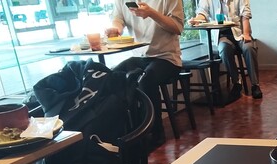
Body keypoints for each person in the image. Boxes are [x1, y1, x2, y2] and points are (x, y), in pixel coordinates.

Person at [106, 0, 184, 145]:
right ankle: (127, 131)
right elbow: (118, 18)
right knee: (113, 77)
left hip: (167, 58)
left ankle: (155, 132)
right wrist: (115, 29)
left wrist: (151, 13)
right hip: (139, 56)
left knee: (146, 79)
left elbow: (177, 27)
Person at [188, 0, 262, 100]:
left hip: (240, 32)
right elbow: (202, 13)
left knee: (249, 48)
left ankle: (255, 85)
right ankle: (236, 82)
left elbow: (245, 15)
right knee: (224, 50)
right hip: (221, 35)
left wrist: (246, 34)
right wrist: (196, 20)